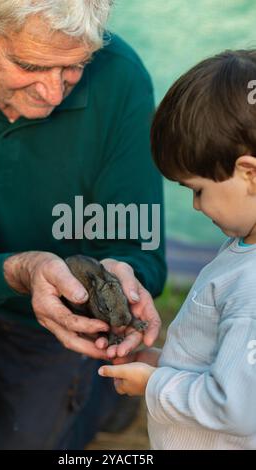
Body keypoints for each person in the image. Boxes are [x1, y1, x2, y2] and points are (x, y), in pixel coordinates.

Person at [0, 0, 166, 450]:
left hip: (57, 314)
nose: (53, 93)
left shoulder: (121, 78)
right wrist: (13, 271)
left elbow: (139, 250)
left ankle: (104, 397)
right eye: (30, 64)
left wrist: (126, 276)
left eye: (75, 67)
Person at [99, 49, 256, 450]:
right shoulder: (242, 247)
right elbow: (229, 365)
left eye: (198, 190)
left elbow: (236, 406)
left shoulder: (250, 285)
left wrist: (154, 384)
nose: (196, 206)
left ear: (249, 174)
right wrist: (163, 362)